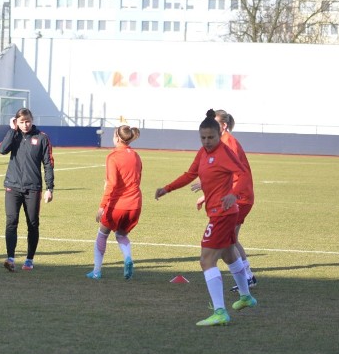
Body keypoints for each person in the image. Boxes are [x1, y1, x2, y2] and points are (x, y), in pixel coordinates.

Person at [155, 109, 257, 327]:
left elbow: (243, 173)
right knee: (229, 255)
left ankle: (220, 311)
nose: (207, 141)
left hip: (222, 214)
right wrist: (167, 188)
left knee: (206, 260)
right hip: (222, 213)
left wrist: (232, 193)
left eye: (211, 137)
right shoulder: (202, 153)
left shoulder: (225, 153)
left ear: (219, 135)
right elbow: (190, 174)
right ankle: (246, 296)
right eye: (203, 138)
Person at [191, 109, 257, 292]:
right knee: (230, 240)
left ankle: (246, 278)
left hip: (238, 198)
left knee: (225, 243)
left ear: (224, 126)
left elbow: (236, 174)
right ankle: (247, 279)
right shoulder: (221, 143)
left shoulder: (228, 144)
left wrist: (231, 194)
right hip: (235, 197)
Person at [0, 107, 54, 272]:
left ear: (32, 120)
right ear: (16, 122)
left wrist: (50, 188)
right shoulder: (13, 135)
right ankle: (10, 258)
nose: (25, 125)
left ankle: (29, 259)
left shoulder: (42, 138)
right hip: (12, 186)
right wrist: (11, 130)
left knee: (33, 224)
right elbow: (2, 150)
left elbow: (48, 164)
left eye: (27, 121)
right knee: (11, 221)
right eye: (21, 122)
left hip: (33, 188)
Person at [86, 125, 142, 281]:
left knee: (102, 234)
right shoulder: (136, 155)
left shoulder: (113, 156)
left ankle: (96, 271)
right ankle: (128, 258)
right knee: (121, 234)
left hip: (118, 204)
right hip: (135, 204)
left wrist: (102, 206)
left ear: (117, 138)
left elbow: (112, 184)